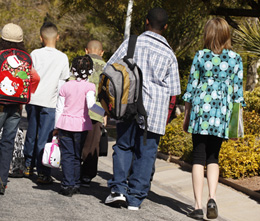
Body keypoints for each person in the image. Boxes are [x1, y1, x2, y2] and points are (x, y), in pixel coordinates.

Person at [104, 7, 181, 210]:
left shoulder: (132, 43)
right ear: (165, 27)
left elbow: (109, 69)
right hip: (155, 112)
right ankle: (135, 198)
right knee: (146, 154)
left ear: (146, 22)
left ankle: (118, 190)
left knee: (123, 146)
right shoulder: (170, 54)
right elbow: (174, 91)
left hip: (127, 104)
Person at [183, 18, 245, 220]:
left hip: (201, 111)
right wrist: (236, 124)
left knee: (198, 158)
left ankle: (198, 205)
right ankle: (212, 198)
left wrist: (186, 117)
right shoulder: (235, 58)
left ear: (208, 34)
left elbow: (191, 89)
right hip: (221, 113)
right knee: (213, 157)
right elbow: (238, 94)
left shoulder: (200, 56)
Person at [0, 23, 40, 194]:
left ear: (2, 38)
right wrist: (27, 92)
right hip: (17, 105)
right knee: (8, 141)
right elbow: (35, 78)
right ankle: (3, 181)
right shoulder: (26, 57)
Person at [23, 22, 70, 184]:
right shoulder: (63, 57)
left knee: (31, 133)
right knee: (45, 137)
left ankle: (27, 166)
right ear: (57, 37)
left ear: (41, 38)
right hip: (50, 102)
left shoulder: (34, 54)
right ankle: (43, 172)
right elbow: (63, 83)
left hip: (33, 99)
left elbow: (27, 76)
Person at [54, 55, 105, 196]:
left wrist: (56, 127)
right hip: (81, 126)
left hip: (64, 125)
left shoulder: (66, 86)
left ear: (72, 69)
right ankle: (76, 183)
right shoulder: (89, 87)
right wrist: (104, 112)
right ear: (90, 71)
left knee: (67, 155)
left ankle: (67, 184)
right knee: (77, 155)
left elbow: (59, 108)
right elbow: (91, 105)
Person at [80, 40, 107, 187]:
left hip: (79, 109)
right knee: (93, 144)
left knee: (78, 141)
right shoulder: (107, 67)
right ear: (101, 52)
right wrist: (106, 114)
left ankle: (73, 169)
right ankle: (87, 175)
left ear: (86, 50)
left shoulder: (80, 63)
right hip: (97, 111)